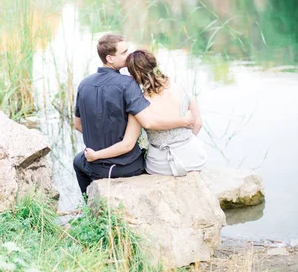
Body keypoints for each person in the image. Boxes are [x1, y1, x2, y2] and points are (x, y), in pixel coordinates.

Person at [73, 34, 195, 195]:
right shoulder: (128, 84)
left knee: (77, 161)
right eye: (124, 52)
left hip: (94, 166)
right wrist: (183, 122)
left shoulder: (84, 84)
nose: (129, 55)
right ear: (110, 58)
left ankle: (90, 207)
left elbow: (78, 125)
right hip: (126, 167)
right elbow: (148, 124)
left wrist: (100, 140)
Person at [84, 49, 206, 177]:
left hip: (160, 166)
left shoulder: (139, 102)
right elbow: (198, 123)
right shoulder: (181, 87)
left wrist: (96, 155)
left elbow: (127, 144)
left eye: (131, 73)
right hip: (194, 159)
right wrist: (183, 143)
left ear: (136, 73)